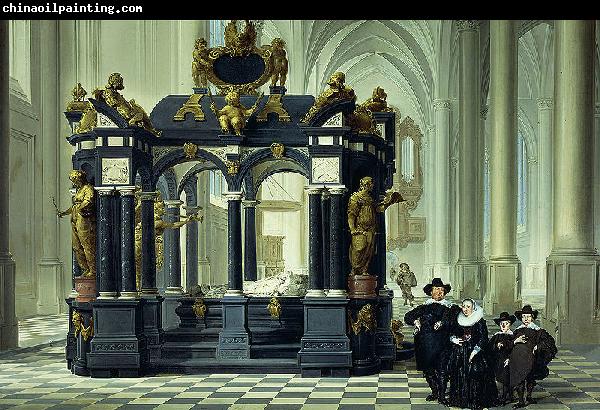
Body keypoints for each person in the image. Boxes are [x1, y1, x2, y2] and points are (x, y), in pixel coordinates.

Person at [404, 278, 454, 404]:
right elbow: (408, 316)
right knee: (428, 370)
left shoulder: (450, 307)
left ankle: (442, 396)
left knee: (442, 370)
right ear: (431, 292)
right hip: (425, 344)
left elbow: (455, 322)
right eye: (437, 289)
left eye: (442, 290)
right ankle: (435, 392)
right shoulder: (425, 306)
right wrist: (415, 321)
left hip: (442, 343)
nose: (440, 292)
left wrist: (443, 322)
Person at [447, 298, 498, 410]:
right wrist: (454, 339)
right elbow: (452, 333)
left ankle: (475, 402)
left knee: (475, 375)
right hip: (460, 351)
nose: (465, 309)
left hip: (475, 352)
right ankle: (461, 401)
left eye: (468, 307)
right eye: (463, 306)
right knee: (460, 374)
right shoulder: (458, 319)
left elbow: (483, 338)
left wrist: (475, 351)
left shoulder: (479, 321)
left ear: (473, 308)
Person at [348, 176, 402, 276]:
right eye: (371, 183)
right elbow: (352, 214)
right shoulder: (355, 197)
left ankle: (364, 269)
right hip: (360, 229)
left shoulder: (370, 198)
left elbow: (378, 209)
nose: (372, 185)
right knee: (358, 249)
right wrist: (353, 229)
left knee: (369, 251)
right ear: (365, 185)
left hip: (371, 229)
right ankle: (354, 269)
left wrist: (390, 202)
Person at [509, 305, 557, 408]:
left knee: (530, 377)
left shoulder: (537, 330)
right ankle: (521, 400)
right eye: (524, 317)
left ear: (532, 318)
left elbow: (549, 342)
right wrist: (515, 341)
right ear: (521, 318)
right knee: (519, 378)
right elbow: (510, 343)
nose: (526, 319)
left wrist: (538, 346)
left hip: (531, 358)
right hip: (518, 359)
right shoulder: (518, 330)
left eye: (528, 316)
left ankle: (529, 397)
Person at [57, 170, 96, 277]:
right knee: (76, 246)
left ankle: (93, 270)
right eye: (73, 180)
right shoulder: (79, 190)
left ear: (80, 179)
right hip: (75, 217)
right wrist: (64, 213)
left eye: (75, 180)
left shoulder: (88, 188)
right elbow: (75, 206)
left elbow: (88, 201)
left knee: (86, 244)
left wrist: (79, 208)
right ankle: (85, 268)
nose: (74, 183)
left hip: (83, 218)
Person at [488, 311, 517, 406]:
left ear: (510, 324)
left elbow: (515, 350)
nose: (504, 326)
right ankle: (498, 395)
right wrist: (496, 345)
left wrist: (510, 359)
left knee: (506, 378)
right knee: (496, 377)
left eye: (506, 323)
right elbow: (490, 348)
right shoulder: (497, 335)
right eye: (501, 324)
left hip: (508, 360)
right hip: (497, 360)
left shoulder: (512, 336)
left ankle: (506, 396)